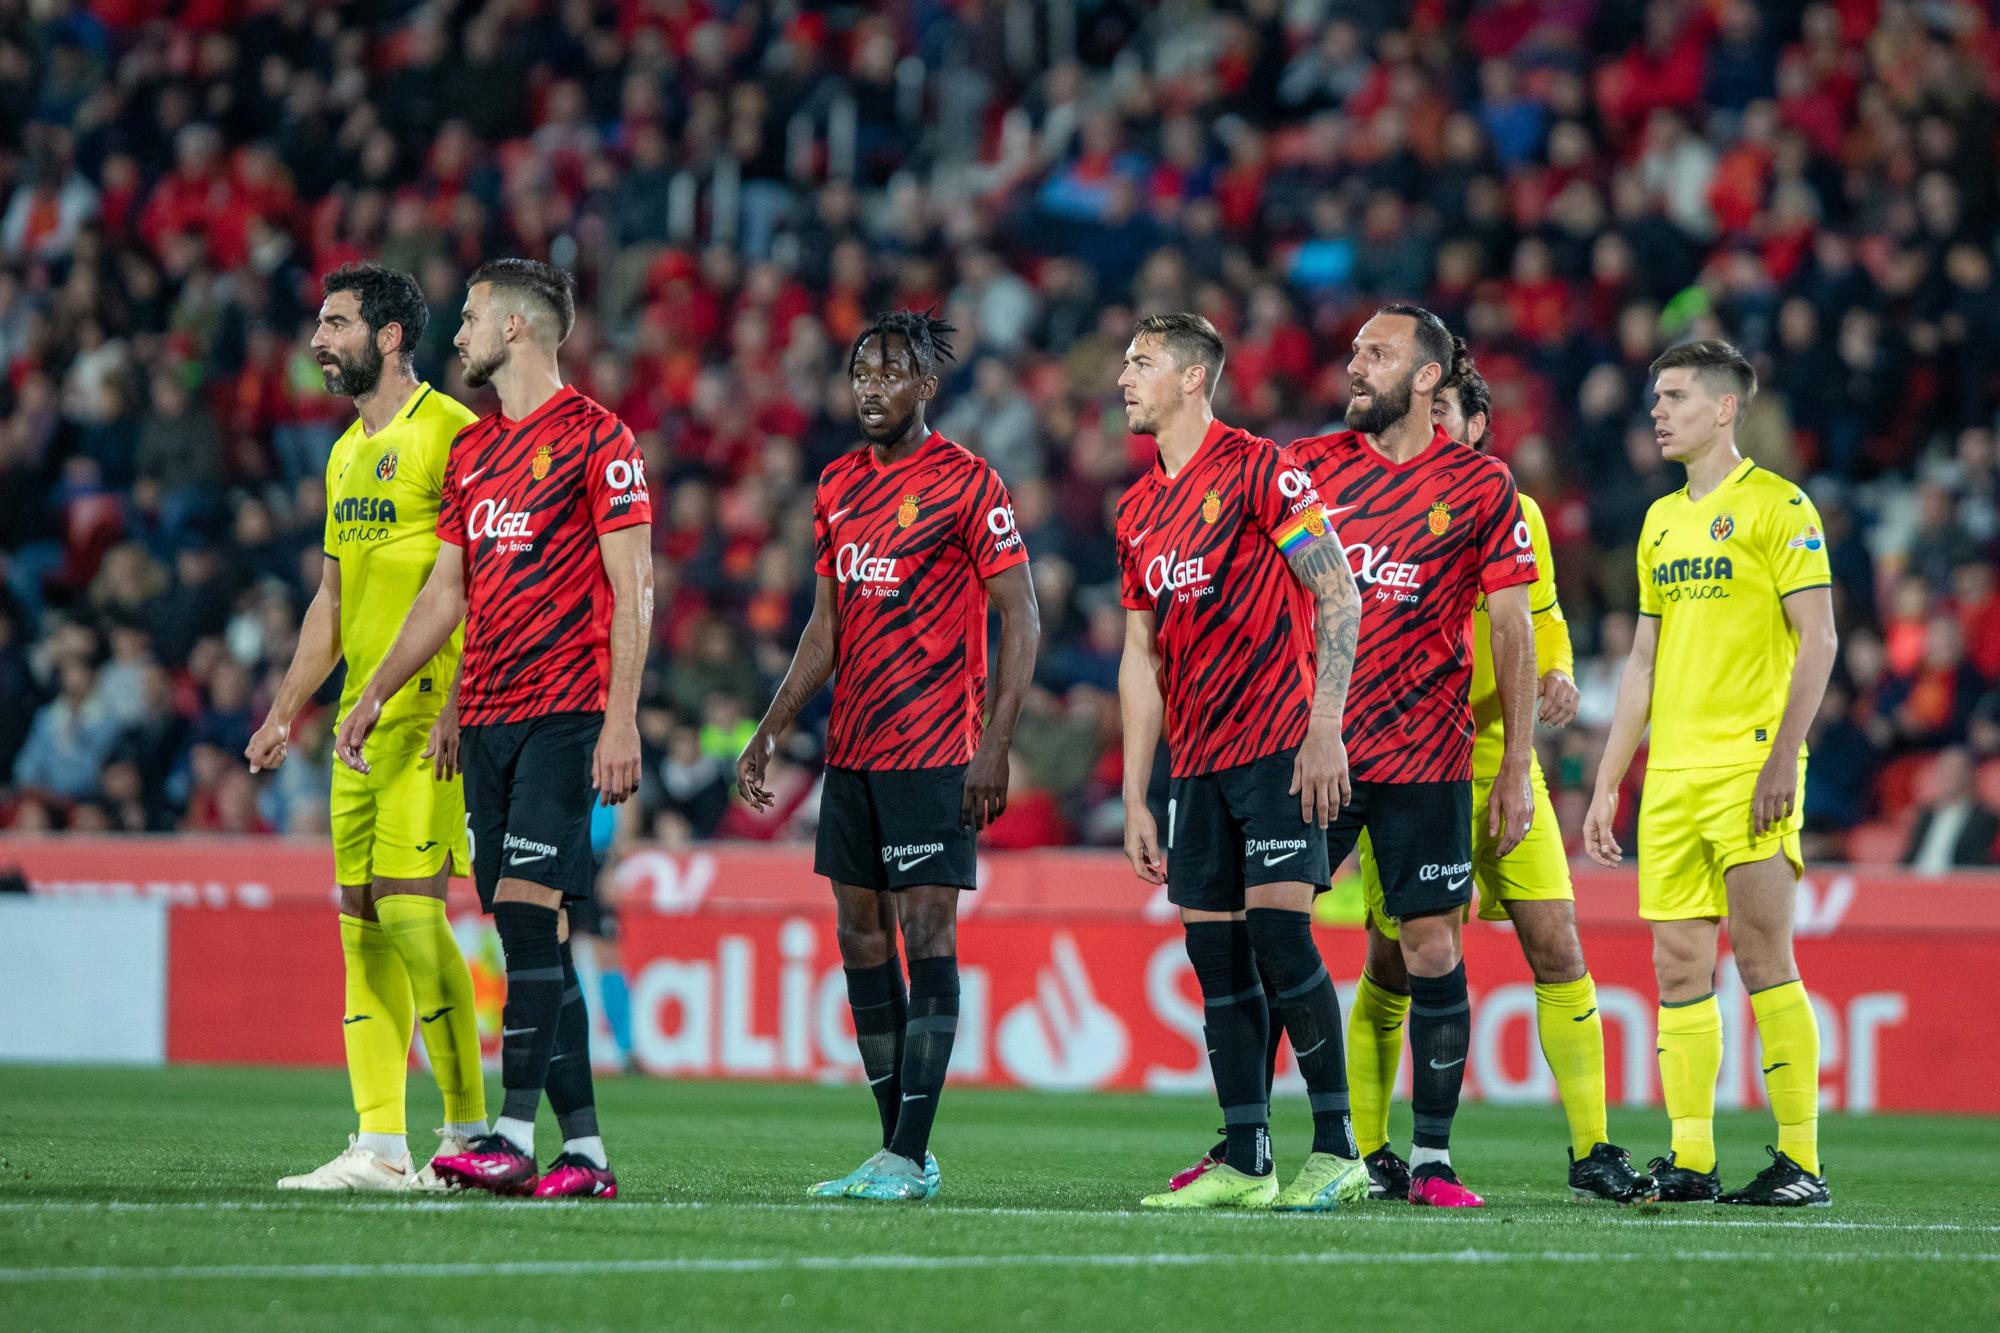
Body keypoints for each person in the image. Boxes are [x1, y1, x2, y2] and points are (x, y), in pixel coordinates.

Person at [334, 259, 654, 1201]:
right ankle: (585, 1152)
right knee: (534, 939)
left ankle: (512, 1134)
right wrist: (384, 692)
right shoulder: (473, 455)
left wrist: (622, 717)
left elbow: (633, 587)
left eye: (471, 318)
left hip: (568, 711)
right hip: (487, 723)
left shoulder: (602, 439)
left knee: (523, 916)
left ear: (515, 328)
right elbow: (448, 591)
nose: (459, 334)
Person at [737, 311, 1040, 1203]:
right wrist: (770, 728)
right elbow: (825, 628)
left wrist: (995, 743)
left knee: (927, 933)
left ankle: (908, 1153)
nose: (870, 384)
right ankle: (897, 1151)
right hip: (855, 750)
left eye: (890, 371)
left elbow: (1020, 614)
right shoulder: (834, 484)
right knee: (859, 933)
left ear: (925, 386)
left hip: (937, 745)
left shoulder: (968, 483)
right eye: (860, 370)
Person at [1344, 353, 1655, 1204]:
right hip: (1408, 762)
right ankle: (1372, 1150)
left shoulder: (1511, 511)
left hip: (1499, 765)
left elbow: (1543, 616)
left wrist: (1558, 673)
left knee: (1557, 943)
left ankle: (1592, 1146)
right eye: (1426, 408)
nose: (1433, 422)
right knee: (1396, 963)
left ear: (1477, 426)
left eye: (1445, 409)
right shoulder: (1378, 510)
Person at [1283, 305, 1544, 1208]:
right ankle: (1260, 1143)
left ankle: (1430, 1158)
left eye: (1377, 352)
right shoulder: (1309, 469)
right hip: (1312, 745)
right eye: (1353, 348)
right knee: (1269, 928)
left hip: (1430, 756)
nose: (1355, 364)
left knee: (1431, 944)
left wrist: (1514, 767)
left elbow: (1513, 627)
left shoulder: (1481, 486)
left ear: (1429, 378)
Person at [1115, 313, 1369, 1212]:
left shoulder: (1262, 469)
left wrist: (1326, 725)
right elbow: (1139, 656)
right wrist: (1136, 790)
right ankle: (1249, 1155)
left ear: (1194, 379)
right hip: (1197, 763)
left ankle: (1338, 1147)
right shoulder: (1138, 507)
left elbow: (1337, 589)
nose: (1123, 377)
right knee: (1213, 952)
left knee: (1278, 931)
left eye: (1142, 362)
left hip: (1278, 745)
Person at [245, 263, 488, 1191]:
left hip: (427, 715)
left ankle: (469, 1137)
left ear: (389, 336)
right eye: (318, 321)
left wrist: (464, 702)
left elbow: (479, 586)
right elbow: (333, 601)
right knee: (360, 927)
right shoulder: (346, 453)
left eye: (336, 322)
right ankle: (381, 1143)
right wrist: (283, 712)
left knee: (416, 919)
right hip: (357, 723)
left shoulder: (452, 435)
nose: (318, 339)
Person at [1585, 339, 1837, 1208]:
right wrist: (1611, 777)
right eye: (1657, 396)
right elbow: (1645, 663)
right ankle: (1692, 1160)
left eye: (1678, 396)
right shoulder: (1661, 521)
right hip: (1675, 777)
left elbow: (1821, 639)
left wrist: (1780, 758)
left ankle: (1800, 1161)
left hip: (1748, 765)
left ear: (1725, 407)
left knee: (1766, 955)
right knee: (1679, 967)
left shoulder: (1778, 505)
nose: (1659, 410)